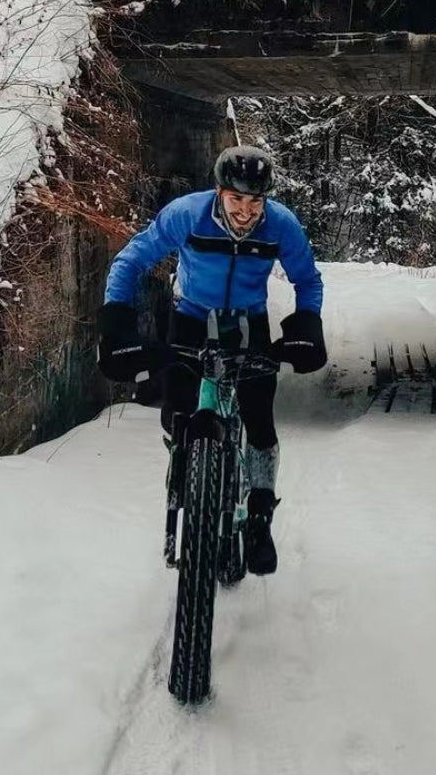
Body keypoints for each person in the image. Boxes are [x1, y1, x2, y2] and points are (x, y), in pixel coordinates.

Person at [96, 145, 327, 575]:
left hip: (248, 322)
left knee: (259, 419)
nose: (245, 211)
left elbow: (307, 280)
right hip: (191, 317)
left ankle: (259, 516)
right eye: (236, 199)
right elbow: (130, 260)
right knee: (178, 410)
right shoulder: (187, 214)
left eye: (255, 201)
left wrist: (306, 327)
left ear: (266, 200)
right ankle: (189, 471)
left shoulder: (281, 226)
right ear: (219, 192)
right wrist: (116, 323)